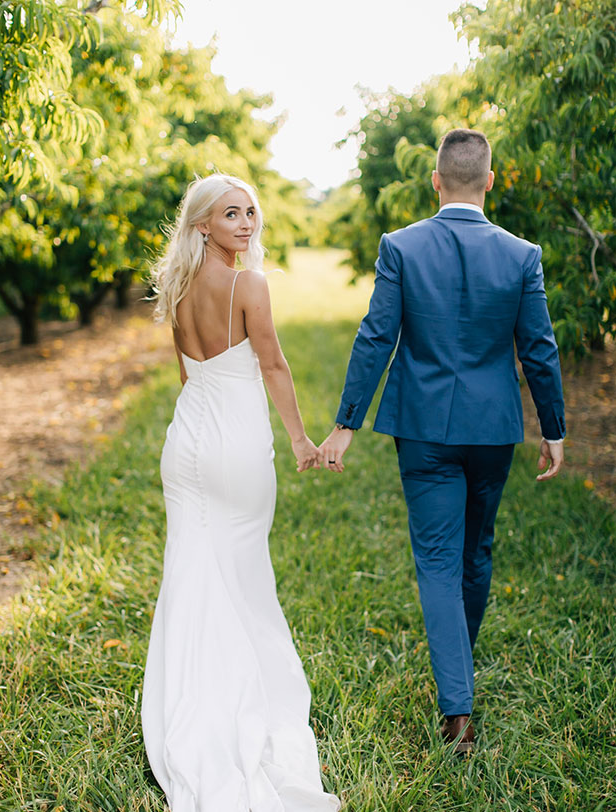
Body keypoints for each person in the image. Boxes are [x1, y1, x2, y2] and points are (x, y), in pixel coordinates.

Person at [319, 129, 565, 754]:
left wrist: (346, 425)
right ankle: (458, 675)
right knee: (475, 551)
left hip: (424, 429)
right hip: (493, 430)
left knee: (437, 562)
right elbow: (538, 349)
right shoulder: (521, 255)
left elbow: (376, 336)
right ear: (489, 180)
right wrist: (554, 429)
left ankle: (457, 711)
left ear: (434, 180)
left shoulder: (400, 246)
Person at [142, 174, 340, 811]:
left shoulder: (174, 284)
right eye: (232, 215)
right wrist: (302, 440)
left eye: (251, 212)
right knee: (244, 576)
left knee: (192, 570)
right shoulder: (249, 283)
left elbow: (185, 372)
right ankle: (237, 706)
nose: (247, 224)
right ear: (203, 225)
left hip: (187, 441)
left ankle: (186, 702)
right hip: (235, 442)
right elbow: (273, 364)